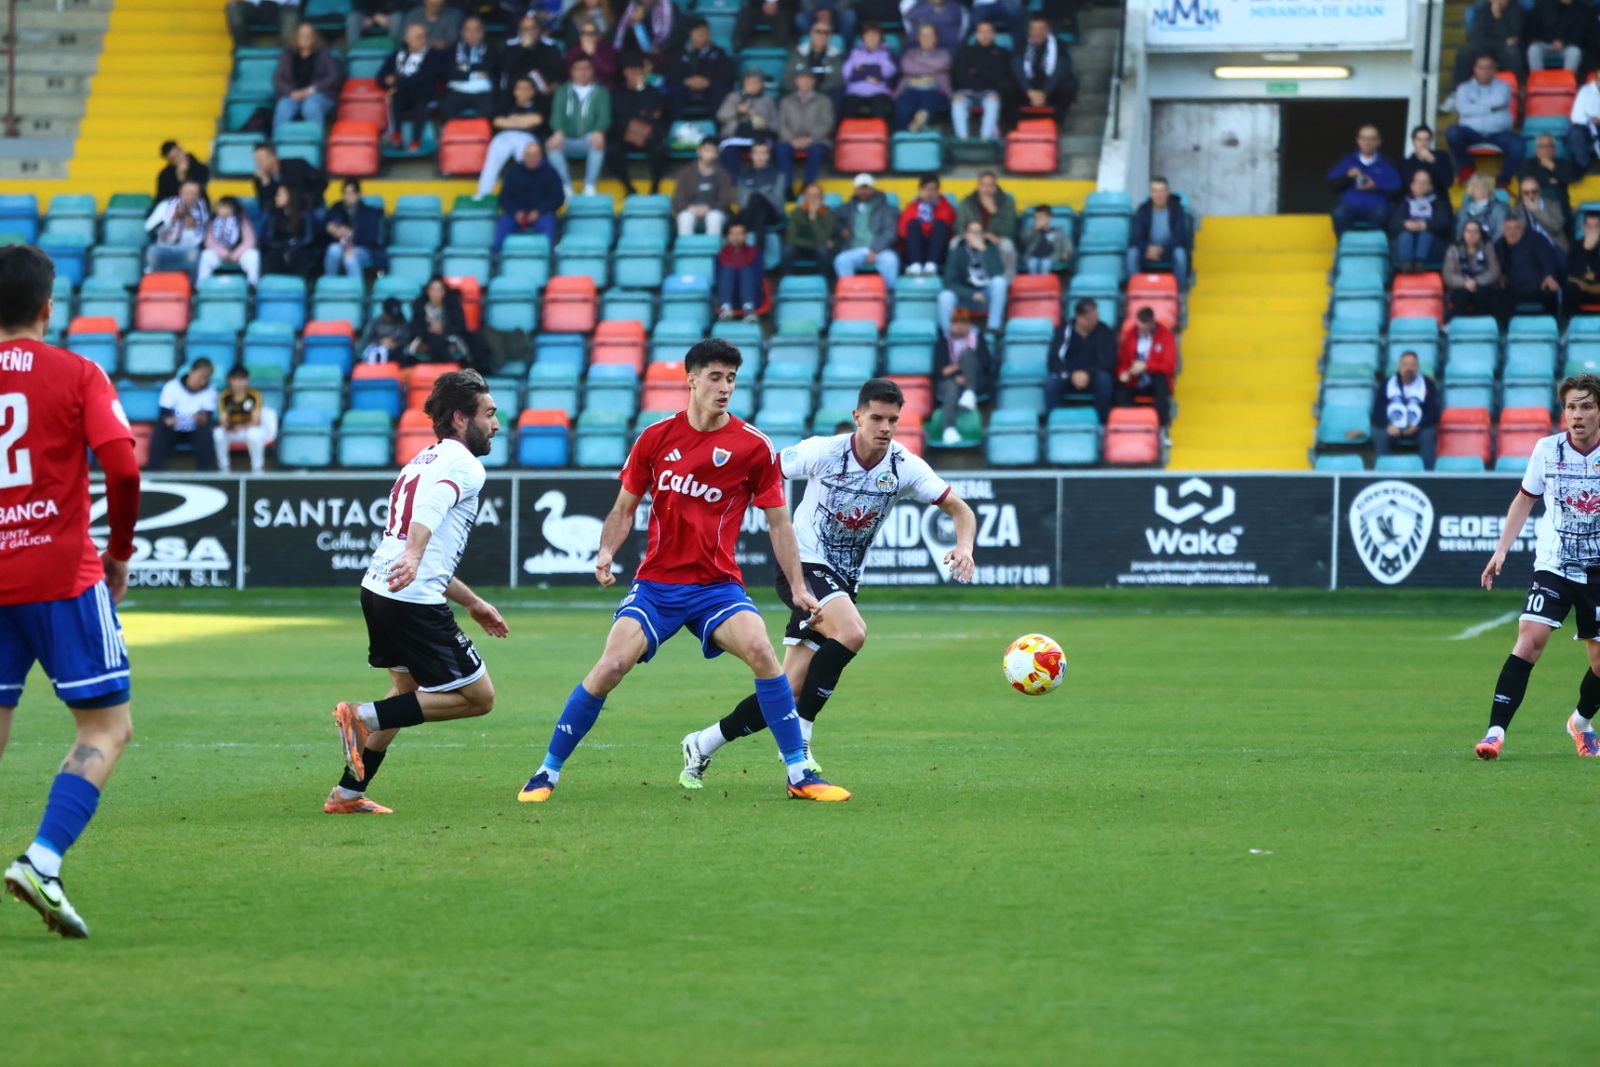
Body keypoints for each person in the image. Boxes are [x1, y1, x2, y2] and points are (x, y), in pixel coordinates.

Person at [517, 338, 853, 804]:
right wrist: (605, 552)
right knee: (611, 665)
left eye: (731, 379)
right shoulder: (655, 439)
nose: (724, 387)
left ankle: (799, 771)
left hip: (717, 587)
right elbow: (624, 507)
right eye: (715, 377)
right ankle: (546, 772)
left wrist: (798, 586)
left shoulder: (752, 446)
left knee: (761, 649)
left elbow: (779, 522)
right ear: (691, 379)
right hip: (657, 586)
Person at [678, 376, 975, 785]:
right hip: (799, 565)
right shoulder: (824, 450)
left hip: (843, 579)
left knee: (787, 690)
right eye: (877, 418)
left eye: (893, 420)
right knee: (852, 632)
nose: (885, 428)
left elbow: (960, 510)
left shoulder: (904, 466)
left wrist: (965, 546)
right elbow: (765, 469)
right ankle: (800, 744)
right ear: (858, 417)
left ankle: (704, 742)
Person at [0, 244, 141, 939]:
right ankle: (43, 859)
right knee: (106, 727)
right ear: (47, 307)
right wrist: (117, 553)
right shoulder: (77, 372)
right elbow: (122, 464)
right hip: (60, 575)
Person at [329, 370, 508, 815]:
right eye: (489, 414)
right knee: (479, 698)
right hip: (410, 599)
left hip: (380, 590)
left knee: (406, 690)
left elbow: (428, 553)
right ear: (460, 418)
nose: (497, 424)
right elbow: (432, 508)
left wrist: (473, 602)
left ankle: (348, 793)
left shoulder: (422, 460)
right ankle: (360, 716)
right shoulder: (465, 465)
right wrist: (414, 552)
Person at [1476, 373, 1600, 761]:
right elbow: (1524, 500)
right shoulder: (1547, 450)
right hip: (1555, 565)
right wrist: (1501, 550)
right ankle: (1494, 733)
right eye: (1571, 407)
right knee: (1529, 641)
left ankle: (1580, 722)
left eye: (1586, 406)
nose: (1577, 415)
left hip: (1597, 573)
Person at [1447, 53, 1524, 186]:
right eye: (1481, 67)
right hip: (1471, 132)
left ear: (1494, 69)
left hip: (1498, 133)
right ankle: (1467, 168)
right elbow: (1463, 109)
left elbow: (1499, 101)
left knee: (1519, 145)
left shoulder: (1504, 86)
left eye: (1488, 67)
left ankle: (1503, 181)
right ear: (1475, 69)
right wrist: (1491, 108)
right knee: (1452, 133)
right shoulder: (1464, 88)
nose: (1485, 71)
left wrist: (1474, 104)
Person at [545, 54, 611, 196]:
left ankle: (589, 186)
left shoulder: (601, 91)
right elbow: (556, 114)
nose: (583, 72)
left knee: (599, 142)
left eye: (586, 68)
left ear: (592, 70)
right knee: (551, 145)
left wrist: (599, 131)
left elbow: (604, 116)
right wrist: (558, 131)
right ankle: (566, 186)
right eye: (578, 69)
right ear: (572, 71)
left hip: (588, 138)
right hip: (566, 139)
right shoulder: (563, 90)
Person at [378, 22, 447, 150]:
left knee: (420, 100)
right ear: (407, 39)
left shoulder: (433, 55)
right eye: (417, 37)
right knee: (396, 97)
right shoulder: (397, 55)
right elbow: (380, 76)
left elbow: (423, 77)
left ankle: (416, 140)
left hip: (424, 95)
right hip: (401, 95)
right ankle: (396, 135)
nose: (422, 40)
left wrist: (396, 86)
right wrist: (387, 81)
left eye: (424, 36)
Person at [475, 75, 546, 198]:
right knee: (492, 161)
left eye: (527, 88)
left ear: (533, 91)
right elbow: (497, 122)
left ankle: (531, 195)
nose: (523, 91)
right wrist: (524, 121)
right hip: (504, 137)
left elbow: (537, 120)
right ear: (514, 91)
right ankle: (482, 195)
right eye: (520, 88)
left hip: (527, 138)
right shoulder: (506, 104)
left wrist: (511, 121)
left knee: (527, 162)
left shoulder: (539, 105)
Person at [607, 55, 670, 195]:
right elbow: (620, 116)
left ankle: (655, 187)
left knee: (659, 148)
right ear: (625, 72)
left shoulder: (652, 91)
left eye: (639, 71)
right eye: (632, 71)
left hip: (649, 135)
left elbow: (657, 115)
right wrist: (644, 115)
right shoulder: (617, 92)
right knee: (612, 150)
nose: (636, 75)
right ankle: (628, 187)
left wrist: (641, 90)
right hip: (624, 136)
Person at [1046, 298, 1115, 419]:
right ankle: (1054, 421)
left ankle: (1101, 423)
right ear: (1079, 318)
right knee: (1052, 383)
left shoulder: (1104, 331)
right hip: (1069, 375)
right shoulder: (1064, 331)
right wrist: (1072, 374)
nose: (1095, 321)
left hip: (1093, 375)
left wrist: (1088, 374)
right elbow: (1054, 359)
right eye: (1091, 319)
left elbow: (1109, 360)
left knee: (1105, 380)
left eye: (1096, 317)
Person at [1369, 351, 1440, 467]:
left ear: (1417, 367)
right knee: (1382, 434)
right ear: (1399, 367)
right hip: (1393, 427)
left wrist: (1418, 425)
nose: (1409, 368)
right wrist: (1388, 425)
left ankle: (1429, 474)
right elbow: (1377, 412)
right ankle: (1380, 473)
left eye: (1412, 365)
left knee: (1428, 434)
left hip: (1417, 428)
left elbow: (1434, 413)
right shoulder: (1387, 384)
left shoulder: (1427, 384)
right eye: (1405, 364)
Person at [1326, 124, 1400, 235]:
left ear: (1379, 142)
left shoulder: (1387, 163)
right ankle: (1345, 247)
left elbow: (1396, 187)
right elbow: (1331, 184)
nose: (1367, 142)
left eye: (1372, 139)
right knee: (1339, 213)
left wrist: (1375, 186)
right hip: (1350, 205)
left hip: (1377, 206)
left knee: (1383, 214)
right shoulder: (1347, 160)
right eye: (1364, 138)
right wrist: (1347, 176)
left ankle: (1375, 248)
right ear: (1358, 140)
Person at [938, 219, 1008, 336]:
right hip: (964, 296)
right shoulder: (957, 252)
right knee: (945, 297)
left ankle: (993, 327)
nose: (976, 236)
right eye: (972, 232)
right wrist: (971, 294)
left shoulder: (990, 249)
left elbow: (998, 273)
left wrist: (984, 251)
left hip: (985, 295)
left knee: (1000, 282)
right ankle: (947, 336)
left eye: (979, 232)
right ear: (966, 235)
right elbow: (949, 282)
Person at [148, 359, 219, 471]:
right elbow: (164, 415)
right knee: (160, 431)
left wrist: (200, 418)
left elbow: (207, 418)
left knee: (206, 434)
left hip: (195, 430)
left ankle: (205, 474)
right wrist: (169, 420)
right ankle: (154, 472)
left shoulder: (210, 392)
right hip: (174, 429)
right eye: (200, 377)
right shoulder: (172, 387)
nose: (202, 382)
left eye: (206, 378)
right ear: (191, 371)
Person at [833, 172, 900, 286]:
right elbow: (833, 221)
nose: (863, 192)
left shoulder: (885, 209)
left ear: (873, 189)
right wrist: (842, 229)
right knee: (841, 260)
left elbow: (890, 232)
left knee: (890, 260)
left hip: (879, 250)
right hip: (854, 249)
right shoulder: (847, 209)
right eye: (860, 188)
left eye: (867, 188)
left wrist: (874, 249)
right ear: (855, 190)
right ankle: (849, 292)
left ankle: (889, 294)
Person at [1114, 307, 1176, 431]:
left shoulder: (1165, 336)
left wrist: (1147, 366)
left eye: (1144, 328)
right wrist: (1123, 373)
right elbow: (1123, 361)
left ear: (1151, 324)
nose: (1140, 331)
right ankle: (1126, 425)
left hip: (1154, 380)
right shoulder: (1130, 335)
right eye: (1139, 327)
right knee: (1119, 387)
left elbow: (1169, 366)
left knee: (1161, 381)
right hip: (1135, 379)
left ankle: (1160, 428)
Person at [933, 310, 990, 442]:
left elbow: (985, 363)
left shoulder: (977, 338)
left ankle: (970, 392)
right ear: (951, 325)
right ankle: (949, 429)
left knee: (968, 353)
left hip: (976, 381)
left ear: (969, 324)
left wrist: (963, 372)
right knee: (951, 387)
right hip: (948, 382)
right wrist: (960, 370)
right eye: (956, 323)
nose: (960, 326)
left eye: (963, 323)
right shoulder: (944, 341)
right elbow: (940, 370)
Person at [272, 22, 340, 131]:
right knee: (283, 106)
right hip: (294, 95)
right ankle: (278, 144)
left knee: (311, 105)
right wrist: (291, 93)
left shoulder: (324, 54)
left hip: (318, 95)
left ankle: (316, 144)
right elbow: (277, 79)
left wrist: (310, 90)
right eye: (302, 35)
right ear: (296, 38)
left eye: (309, 35)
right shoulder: (288, 55)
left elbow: (333, 77)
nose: (305, 38)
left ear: (314, 38)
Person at [1494, 213, 1563, 319]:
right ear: (1503, 230)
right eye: (1508, 229)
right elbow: (1495, 265)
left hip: (1538, 288)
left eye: (1516, 228)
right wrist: (1500, 275)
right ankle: (1506, 331)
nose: (1512, 232)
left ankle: (1550, 329)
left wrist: (1549, 275)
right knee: (1495, 296)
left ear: (1523, 229)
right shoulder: (1499, 245)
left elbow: (1548, 259)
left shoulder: (1537, 240)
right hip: (1513, 290)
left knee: (1551, 292)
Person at [777, 67, 834, 195]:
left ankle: (808, 185)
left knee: (817, 151)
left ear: (813, 81)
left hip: (815, 139)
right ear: (796, 81)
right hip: (790, 139)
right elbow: (781, 124)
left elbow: (827, 123)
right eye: (801, 79)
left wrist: (810, 139)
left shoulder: (823, 101)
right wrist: (791, 139)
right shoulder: (786, 101)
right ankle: (787, 187)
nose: (804, 82)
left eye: (808, 79)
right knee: (781, 149)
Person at [950, 18, 1009, 141]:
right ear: (976, 34)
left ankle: (985, 141)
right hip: (966, 92)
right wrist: (958, 91)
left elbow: (1002, 77)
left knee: (993, 103)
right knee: (957, 103)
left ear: (994, 34)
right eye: (981, 32)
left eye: (988, 31)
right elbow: (959, 75)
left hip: (990, 93)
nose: (985, 35)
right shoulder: (965, 52)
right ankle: (962, 141)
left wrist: (976, 74)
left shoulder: (1002, 53)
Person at [1127, 175, 1192, 283]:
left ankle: (1180, 293)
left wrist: (1161, 249)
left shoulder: (1177, 209)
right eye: (1155, 191)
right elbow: (1136, 236)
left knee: (1180, 253)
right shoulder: (1143, 210)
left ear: (1168, 192)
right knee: (1132, 253)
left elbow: (1180, 236)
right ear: (1151, 193)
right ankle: (1136, 289)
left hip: (1169, 250)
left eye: (1162, 191)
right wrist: (1147, 248)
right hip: (1148, 251)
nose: (1159, 195)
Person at [666, 18, 733, 120]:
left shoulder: (719, 53)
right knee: (674, 90)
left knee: (720, 89)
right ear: (691, 33)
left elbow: (727, 75)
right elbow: (671, 75)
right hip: (686, 87)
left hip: (710, 88)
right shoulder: (680, 54)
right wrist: (687, 81)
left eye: (705, 31)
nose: (702, 34)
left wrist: (708, 81)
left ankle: (716, 126)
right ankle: (676, 124)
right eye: (698, 31)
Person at [716, 68, 779, 177]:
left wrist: (766, 125)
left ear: (762, 84)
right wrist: (737, 111)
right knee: (729, 151)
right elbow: (720, 116)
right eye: (750, 82)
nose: (753, 85)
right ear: (744, 83)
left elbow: (776, 124)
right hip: (735, 136)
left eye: (757, 82)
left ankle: (766, 183)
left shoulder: (768, 100)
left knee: (770, 150)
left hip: (759, 137)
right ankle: (733, 185)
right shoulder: (733, 97)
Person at [406, 276, 482, 365]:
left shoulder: (453, 305)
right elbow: (414, 327)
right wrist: (428, 328)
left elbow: (460, 326)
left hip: (449, 337)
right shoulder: (420, 306)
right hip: (426, 337)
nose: (435, 293)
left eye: (438, 290)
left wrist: (443, 328)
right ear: (427, 291)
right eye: (432, 290)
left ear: (444, 291)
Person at [212, 365, 275, 474]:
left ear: (247, 380)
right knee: (218, 433)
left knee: (254, 434)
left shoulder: (255, 395)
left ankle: (257, 468)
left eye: (241, 380)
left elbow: (256, 421)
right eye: (234, 379)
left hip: (248, 429)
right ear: (229, 380)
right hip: (233, 431)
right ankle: (224, 468)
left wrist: (241, 427)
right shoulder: (224, 396)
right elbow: (223, 419)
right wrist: (228, 426)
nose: (238, 383)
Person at [1388, 169, 1454, 271]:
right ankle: (1407, 265)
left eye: (1424, 182)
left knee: (1425, 234)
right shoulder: (1403, 203)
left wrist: (1425, 225)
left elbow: (1445, 223)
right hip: (1404, 247)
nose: (1420, 185)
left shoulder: (1438, 203)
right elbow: (1393, 224)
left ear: (1430, 187)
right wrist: (1406, 224)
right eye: (1417, 182)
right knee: (1406, 235)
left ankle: (1420, 263)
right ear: (1412, 185)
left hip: (1431, 249)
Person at [1011, 15, 1076, 119]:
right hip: (1027, 88)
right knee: (1007, 86)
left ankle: (1058, 121)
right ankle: (1013, 123)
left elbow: (1061, 70)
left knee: (1069, 85)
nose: (1037, 33)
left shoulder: (1059, 45)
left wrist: (1045, 92)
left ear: (1048, 30)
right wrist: (1029, 91)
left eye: (1041, 29)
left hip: (1051, 87)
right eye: (1034, 29)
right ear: (1029, 31)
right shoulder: (1021, 44)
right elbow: (1017, 68)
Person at [498, 14, 564, 113]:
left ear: (539, 30)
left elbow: (558, 74)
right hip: (514, 95)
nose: (529, 32)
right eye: (525, 29)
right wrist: (522, 48)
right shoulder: (511, 48)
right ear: (519, 31)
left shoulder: (550, 48)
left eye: (532, 28)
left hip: (542, 94)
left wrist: (551, 88)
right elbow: (504, 67)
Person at [322, 178, 386, 278]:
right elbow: (328, 225)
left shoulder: (370, 212)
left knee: (350, 258)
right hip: (341, 245)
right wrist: (333, 229)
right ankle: (330, 283)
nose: (348, 197)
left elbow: (371, 238)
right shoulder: (337, 207)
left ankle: (356, 289)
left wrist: (351, 235)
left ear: (359, 194)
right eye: (345, 193)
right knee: (333, 250)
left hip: (364, 248)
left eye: (351, 193)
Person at [894, 22, 951, 132]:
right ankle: (903, 140)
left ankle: (921, 120)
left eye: (930, 35)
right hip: (910, 90)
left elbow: (942, 63)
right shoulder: (910, 53)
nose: (926, 38)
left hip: (935, 90)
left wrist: (917, 68)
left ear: (936, 38)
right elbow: (906, 66)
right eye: (923, 35)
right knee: (902, 107)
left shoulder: (944, 54)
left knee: (929, 99)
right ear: (918, 38)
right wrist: (932, 70)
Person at [670, 137, 733, 236]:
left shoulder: (723, 174)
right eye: (707, 150)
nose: (710, 154)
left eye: (714, 151)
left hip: (714, 211)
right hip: (690, 211)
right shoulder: (685, 173)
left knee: (714, 217)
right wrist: (690, 208)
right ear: (699, 151)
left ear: (717, 154)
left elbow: (726, 201)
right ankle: (686, 250)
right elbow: (677, 200)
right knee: (685, 217)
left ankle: (712, 250)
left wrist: (709, 208)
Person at [144, 179, 209, 275]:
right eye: (187, 193)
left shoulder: (202, 210)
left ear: (199, 195)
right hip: (164, 248)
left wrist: (192, 228)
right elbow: (149, 229)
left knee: (196, 255)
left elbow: (202, 240)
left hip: (187, 250)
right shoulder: (166, 205)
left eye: (194, 194)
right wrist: (170, 221)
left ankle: (191, 288)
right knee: (153, 252)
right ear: (180, 192)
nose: (190, 197)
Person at [1453, 0, 1525, 86]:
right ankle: (1458, 90)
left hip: (1503, 48)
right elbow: (1476, 35)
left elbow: (1513, 36)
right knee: (1464, 53)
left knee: (1512, 53)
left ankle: (1513, 89)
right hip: (1485, 45)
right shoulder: (1483, 10)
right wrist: (1501, 40)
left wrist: (1498, 17)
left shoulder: (1516, 10)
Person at [1444, 218, 1503, 319]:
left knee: (1483, 294)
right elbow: (1448, 275)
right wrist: (1465, 282)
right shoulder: (1454, 249)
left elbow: (1494, 271)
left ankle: (1484, 326)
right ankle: (1451, 325)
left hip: (1483, 287)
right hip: (1461, 287)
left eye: (1475, 231)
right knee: (1463, 294)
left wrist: (1476, 281)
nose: (1472, 235)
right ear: (1463, 233)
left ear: (1480, 234)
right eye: (1468, 231)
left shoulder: (1488, 247)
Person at [899, 172, 956, 277]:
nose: (929, 193)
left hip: (938, 249)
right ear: (920, 190)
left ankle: (931, 265)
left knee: (940, 225)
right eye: (926, 189)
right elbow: (903, 231)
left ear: (938, 191)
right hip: (915, 248)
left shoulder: (945, 206)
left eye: (933, 189)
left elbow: (947, 225)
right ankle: (915, 265)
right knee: (913, 224)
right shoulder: (912, 206)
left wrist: (925, 225)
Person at [196, 196, 261, 286]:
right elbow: (209, 242)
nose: (223, 209)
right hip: (219, 255)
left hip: (238, 254)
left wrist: (236, 254)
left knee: (253, 255)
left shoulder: (241, 220)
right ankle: (201, 286)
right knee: (206, 255)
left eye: (227, 207)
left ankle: (252, 285)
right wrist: (224, 253)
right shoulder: (212, 220)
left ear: (233, 208)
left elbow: (249, 240)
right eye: (221, 206)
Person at [441, 16, 498, 119]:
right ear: (462, 32)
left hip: (483, 92)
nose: (472, 34)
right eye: (468, 30)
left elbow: (489, 68)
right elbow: (451, 71)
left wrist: (463, 68)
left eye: (477, 30)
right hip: (457, 91)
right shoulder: (452, 50)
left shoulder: (492, 49)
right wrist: (475, 73)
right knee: (446, 109)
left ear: (482, 32)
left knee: (491, 111)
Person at [251, 141, 326, 217]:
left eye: (260, 160)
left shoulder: (296, 165)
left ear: (273, 156)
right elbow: (265, 207)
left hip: (306, 210)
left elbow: (322, 180)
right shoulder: (260, 178)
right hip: (280, 218)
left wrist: (297, 200)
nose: (258, 164)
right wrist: (267, 184)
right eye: (256, 160)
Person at [841, 22, 897, 121]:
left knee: (880, 108)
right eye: (868, 35)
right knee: (848, 109)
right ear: (863, 37)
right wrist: (872, 71)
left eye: (875, 35)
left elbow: (887, 73)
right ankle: (848, 136)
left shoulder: (887, 53)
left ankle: (880, 135)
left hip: (878, 91)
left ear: (880, 37)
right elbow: (847, 73)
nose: (871, 38)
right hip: (855, 91)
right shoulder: (854, 52)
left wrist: (860, 71)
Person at [785, 182, 841, 280]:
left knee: (823, 250)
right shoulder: (797, 212)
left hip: (820, 250)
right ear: (804, 197)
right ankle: (788, 280)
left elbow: (824, 238)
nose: (812, 199)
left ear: (822, 198)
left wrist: (813, 217)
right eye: (809, 195)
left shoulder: (828, 214)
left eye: (816, 196)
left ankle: (822, 281)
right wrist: (816, 243)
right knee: (787, 249)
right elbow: (791, 238)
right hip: (801, 249)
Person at [1517, 131, 1581, 217]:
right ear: (1537, 148)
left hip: (1558, 209)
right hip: (1533, 206)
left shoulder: (1562, 163)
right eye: (1542, 146)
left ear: (1554, 148)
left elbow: (1573, 179)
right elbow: (1526, 182)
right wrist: (1551, 181)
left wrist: (1553, 167)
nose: (1546, 149)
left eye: (1549, 146)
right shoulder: (1527, 163)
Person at [732, 139, 785, 235]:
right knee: (759, 213)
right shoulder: (744, 175)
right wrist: (763, 195)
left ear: (768, 156)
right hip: (750, 213)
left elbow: (779, 203)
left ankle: (747, 248)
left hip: (772, 214)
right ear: (751, 155)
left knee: (758, 203)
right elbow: (741, 202)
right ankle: (759, 249)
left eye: (763, 153)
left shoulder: (777, 175)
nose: (759, 157)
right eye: (756, 153)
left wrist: (758, 197)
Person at [261, 184, 316, 275]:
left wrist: (292, 248)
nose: (276, 198)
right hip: (278, 248)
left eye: (279, 195)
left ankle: (301, 285)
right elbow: (269, 238)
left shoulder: (304, 214)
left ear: (290, 196)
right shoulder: (273, 214)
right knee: (273, 255)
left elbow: (308, 238)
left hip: (298, 248)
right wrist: (284, 248)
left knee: (299, 255)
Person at [714, 219, 763, 321]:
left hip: (751, 295)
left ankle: (749, 309)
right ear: (727, 236)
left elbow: (758, 278)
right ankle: (726, 308)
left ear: (745, 236)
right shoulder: (721, 255)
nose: (736, 237)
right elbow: (718, 280)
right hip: (727, 295)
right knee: (728, 270)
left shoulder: (754, 252)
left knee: (745, 270)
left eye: (739, 234)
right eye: (733, 234)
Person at [612, 0, 684, 68]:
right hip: (639, 57)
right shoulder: (631, 9)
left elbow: (677, 35)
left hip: (665, 54)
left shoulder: (669, 8)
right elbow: (624, 38)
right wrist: (633, 23)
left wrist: (660, 48)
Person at [783, 21, 845, 99]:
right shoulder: (798, 53)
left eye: (826, 32)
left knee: (838, 93)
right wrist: (804, 89)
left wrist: (815, 92)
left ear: (830, 36)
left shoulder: (836, 55)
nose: (822, 35)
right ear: (811, 33)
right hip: (798, 93)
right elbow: (788, 78)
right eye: (818, 31)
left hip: (826, 95)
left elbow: (837, 80)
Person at [1524, 0, 1585, 74]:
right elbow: (1532, 26)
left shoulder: (1581, 9)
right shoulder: (1544, 5)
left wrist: (1564, 42)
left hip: (1567, 46)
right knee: (1533, 49)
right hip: (1545, 44)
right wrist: (1542, 40)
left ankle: (1566, 82)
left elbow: (1579, 33)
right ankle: (1538, 81)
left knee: (1575, 52)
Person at [1513, 173, 1568, 254]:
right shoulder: (1516, 210)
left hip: (1553, 247)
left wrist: (1536, 211)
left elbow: (1556, 227)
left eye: (1534, 191)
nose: (1530, 195)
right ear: (1521, 195)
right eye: (1526, 193)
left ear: (1539, 191)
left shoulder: (1552, 205)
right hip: (1529, 252)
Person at [1400, 124, 1456, 198]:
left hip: (1438, 202)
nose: (1423, 144)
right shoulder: (1406, 163)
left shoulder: (1442, 156)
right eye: (1419, 140)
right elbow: (1407, 186)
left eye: (1426, 140)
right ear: (1413, 142)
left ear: (1430, 141)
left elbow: (1448, 182)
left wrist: (1433, 161)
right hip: (1415, 203)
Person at [1456, 172, 1508, 242]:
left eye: (1484, 187)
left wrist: (1490, 248)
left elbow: (1500, 231)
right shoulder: (1465, 209)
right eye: (1477, 188)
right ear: (1472, 190)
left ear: (1489, 189)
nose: (1481, 190)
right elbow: (1460, 230)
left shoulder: (1498, 208)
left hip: (1490, 247)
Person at [1021, 204, 1072, 275]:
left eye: (1041, 218)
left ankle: (1043, 283)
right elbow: (1024, 240)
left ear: (1049, 218)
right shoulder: (1032, 231)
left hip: (1050, 257)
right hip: (1033, 256)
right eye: (1036, 218)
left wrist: (1066, 252)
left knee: (1045, 264)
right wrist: (1034, 229)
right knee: (1032, 264)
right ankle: (1033, 283)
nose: (1038, 220)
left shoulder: (1057, 231)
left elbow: (1066, 242)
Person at [565, 19, 617, 88]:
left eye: (591, 33)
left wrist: (593, 53)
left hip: (603, 88)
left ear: (598, 36)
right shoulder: (574, 51)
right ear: (580, 36)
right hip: (580, 89)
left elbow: (609, 71)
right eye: (584, 33)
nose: (587, 36)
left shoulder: (606, 48)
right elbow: (569, 74)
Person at [155, 140, 210, 204]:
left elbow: (199, 187)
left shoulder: (199, 167)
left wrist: (183, 175)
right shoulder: (165, 174)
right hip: (173, 205)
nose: (179, 158)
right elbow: (162, 196)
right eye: (174, 158)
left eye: (179, 153)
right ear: (170, 161)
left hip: (197, 202)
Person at [227, 0, 300, 48]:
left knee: (291, 15)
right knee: (233, 8)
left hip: (282, 7)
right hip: (255, 6)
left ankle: (285, 56)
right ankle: (244, 50)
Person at [393, 0, 462, 48]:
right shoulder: (413, 15)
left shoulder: (453, 16)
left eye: (438, 5)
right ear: (425, 1)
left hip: (442, 57)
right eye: (432, 5)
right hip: (415, 54)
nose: (435, 7)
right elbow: (401, 38)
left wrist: (440, 45)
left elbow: (453, 41)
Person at [1568, 211, 1600, 313]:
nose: (1592, 230)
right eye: (1589, 226)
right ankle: (1574, 323)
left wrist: (1595, 275)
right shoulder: (1576, 246)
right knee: (1570, 287)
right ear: (1584, 228)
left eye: (1596, 226)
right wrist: (1586, 249)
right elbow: (1573, 273)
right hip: (1584, 290)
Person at [1569, 70, 1600, 171]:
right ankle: (1583, 168)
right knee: (1575, 134)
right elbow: (1575, 116)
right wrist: (1590, 120)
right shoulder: (1585, 91)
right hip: (1587, 125)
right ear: (1596, 79)